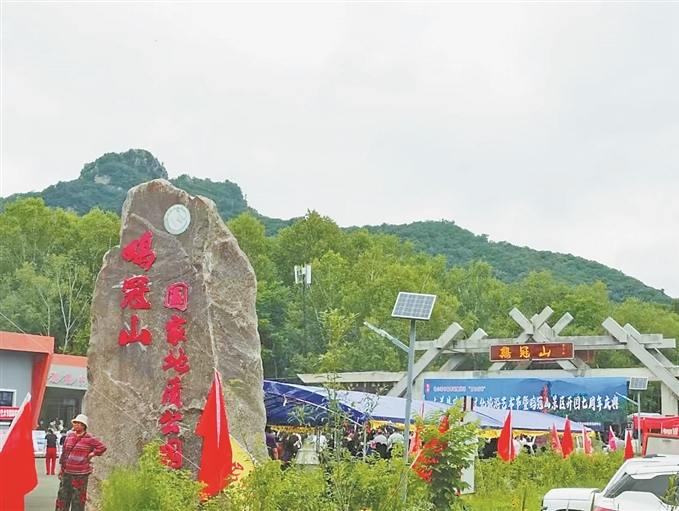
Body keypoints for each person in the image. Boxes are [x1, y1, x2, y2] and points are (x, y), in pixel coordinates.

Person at [55, 414, 106, 511]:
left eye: (78, 423)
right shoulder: (69, 436)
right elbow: (64, 452)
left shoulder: (89, 438)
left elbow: (102, 447)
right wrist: (61, 468)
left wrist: (92, 454)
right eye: (75, 423)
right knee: (62, 498)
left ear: (83, 426)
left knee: (78, 500)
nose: (76, 425)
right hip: (67, 472)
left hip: (81, 474)